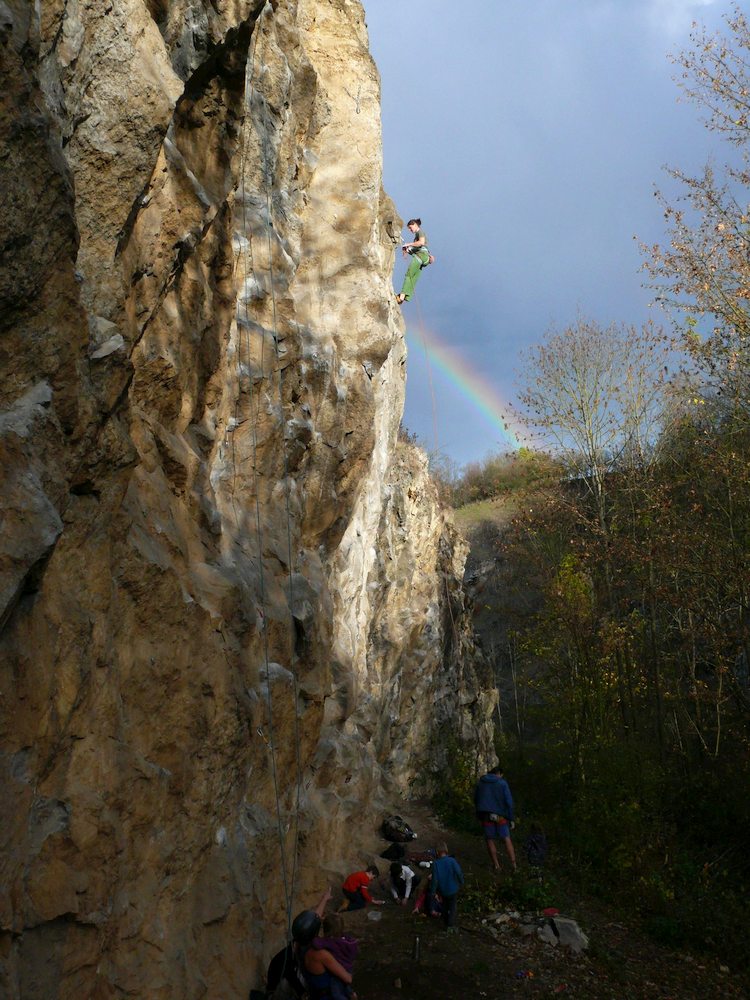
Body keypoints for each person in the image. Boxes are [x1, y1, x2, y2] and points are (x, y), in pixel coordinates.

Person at [291, 905, 356, 1000]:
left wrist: (325, 898)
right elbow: (347, 979)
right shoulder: (320, 954)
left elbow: (311, 922)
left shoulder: (298, 946)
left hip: (314, 992)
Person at [474, 764, 517, 872]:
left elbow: (476, 799)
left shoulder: (481, 783)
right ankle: (514, 865)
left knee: (489, 839)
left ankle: (496, 865)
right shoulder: (502, 783)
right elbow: (509, 802)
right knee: (506, 838)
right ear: (499, 774)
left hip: (486, 815)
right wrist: (511, 818)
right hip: (501, 816)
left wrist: (479, 814)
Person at [395, 218, 431, 304]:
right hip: (424, 259)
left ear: (415, 225)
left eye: (410, 227)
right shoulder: (416, 237)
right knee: (413, 278)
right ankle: (407, 296)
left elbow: (421, 242)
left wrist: (408, 244)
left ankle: (401, 297)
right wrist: (407, 250)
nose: (409, 230)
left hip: (421, 257)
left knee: (409, 275)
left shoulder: (420, 232)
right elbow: (420, 247)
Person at [429, 843, 464, 932]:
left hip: (443, 890)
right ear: (446, 850)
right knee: (453, 906)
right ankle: (450, 924)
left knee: (445, 905)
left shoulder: (435, 864)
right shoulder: (452, 860)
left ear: (437, 852)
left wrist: (433, 892)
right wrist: (461, 881)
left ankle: (445, 921)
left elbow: (434, 880)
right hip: (453, 888)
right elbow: (458, 872)